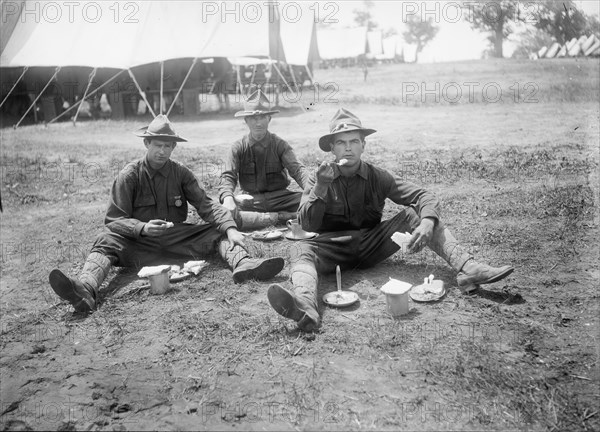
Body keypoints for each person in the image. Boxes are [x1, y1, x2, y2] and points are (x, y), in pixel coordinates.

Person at [267, 108, 514, 331]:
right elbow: (306, 224)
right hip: (333, 249)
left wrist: (427, 222)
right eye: (341, 143)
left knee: (415, 214)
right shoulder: (318, 177)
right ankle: (305, 305)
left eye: (354, 141)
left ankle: (468, 269)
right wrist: (321, 186)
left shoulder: (378, 176)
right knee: (300, 247)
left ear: (364, 145)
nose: (348, 148)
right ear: (332, 149)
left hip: (373, 245)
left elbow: (423, 195)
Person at [49, 115, 284, 313]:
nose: (162, 151)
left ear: (174, 147)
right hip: (139, 244)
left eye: (167, 146)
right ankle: (85, 290)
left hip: (175, 240)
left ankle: (244, 264)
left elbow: (206, 206)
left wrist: (231, 229)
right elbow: (113, 220)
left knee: (217, 230)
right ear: (147, 144)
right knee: (105, 241)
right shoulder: (129, 175)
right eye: (157, 145)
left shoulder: (180, 173)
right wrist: (142, 228)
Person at [219, 89, 309, 230]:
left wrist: (313, 191)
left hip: (281, 199)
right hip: (250, 201)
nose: (258, 123)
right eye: (253, 118)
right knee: (223, 211)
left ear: (269, 119)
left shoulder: (280, 145)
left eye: (262, 118)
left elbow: (298, 170)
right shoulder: (238, 147)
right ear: (246, 121)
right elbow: (227, 176)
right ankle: (286, 217)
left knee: (313, 202)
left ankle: (262, 219)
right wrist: (228, 198)